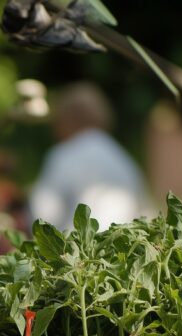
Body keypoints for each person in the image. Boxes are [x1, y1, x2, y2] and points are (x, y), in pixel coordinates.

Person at [28, 82, 152, 232]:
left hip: (77, 252)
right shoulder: (123, 158)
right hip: (123, 250)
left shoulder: (63, 154)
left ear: (68, 119)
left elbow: (42, 216)